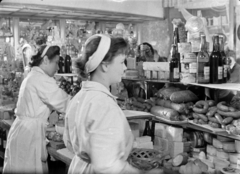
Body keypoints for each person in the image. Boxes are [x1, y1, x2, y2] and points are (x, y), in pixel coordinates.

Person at [63, 34, 163, 174]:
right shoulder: (104, 104)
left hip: (79, 167)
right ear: (105, 66)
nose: (125, 68)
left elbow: (68, 142)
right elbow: (109, 166)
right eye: (121, 62)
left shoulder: (80, 97)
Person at [3, 45, 71, 174]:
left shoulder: (33, 75)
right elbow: (65, 103)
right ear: (45, 60)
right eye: (56, 63)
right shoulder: (40, 78)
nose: (58, 68)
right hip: (28, 134)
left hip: (23, 131)